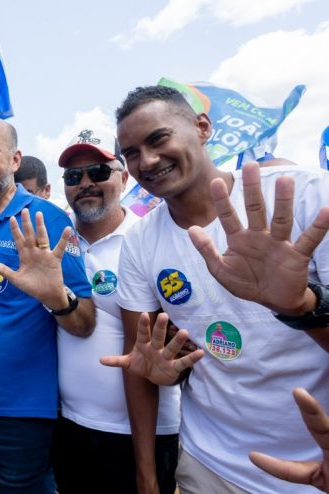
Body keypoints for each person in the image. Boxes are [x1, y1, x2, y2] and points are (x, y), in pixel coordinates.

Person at [100, 85, 329, 494]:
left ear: (202, 127)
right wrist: (148, 477)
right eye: (131, 153)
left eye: (158, 139)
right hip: (208, 466)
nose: (147, 161)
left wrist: (301, 306)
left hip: (314, 471)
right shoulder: (140, 242)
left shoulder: (304, 197)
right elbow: (143, 364)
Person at [0, 115, 96, 493]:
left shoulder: (46, 218)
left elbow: (85, 322)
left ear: (15, 160)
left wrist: (56, 298)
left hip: (23, 415)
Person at [52, 125, 180, 493]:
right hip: (71, 428)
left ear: (123, 177)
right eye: (74, 176)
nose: (85, 183)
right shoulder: (58, 244)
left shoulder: (150, 239)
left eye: (99, 172)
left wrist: (147, 473)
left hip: (141, 436)